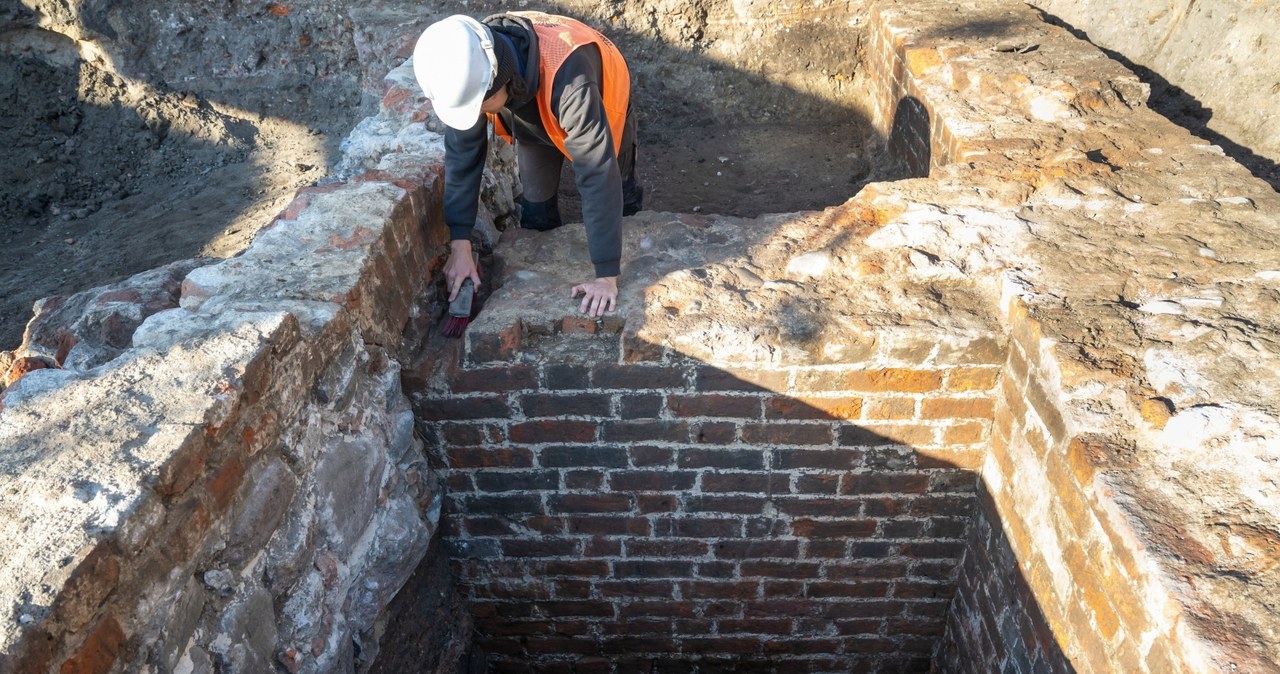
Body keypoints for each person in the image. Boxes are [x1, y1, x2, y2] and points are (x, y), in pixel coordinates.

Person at [412, 11, 643, 317]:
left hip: (600, 93)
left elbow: (597, 174)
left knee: (618, 189)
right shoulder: (469, 66)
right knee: (536, 211)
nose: (477, 114)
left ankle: (631, 222)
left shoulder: (572, 85)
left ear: (501, 80)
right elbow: (463, 157)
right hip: (533, 104)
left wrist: (606, 276)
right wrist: (460, 245)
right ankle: (544, 228)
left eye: (480, 106)